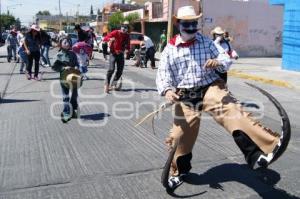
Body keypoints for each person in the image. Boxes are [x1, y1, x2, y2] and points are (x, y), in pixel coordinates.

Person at [156, 6, 284, 191]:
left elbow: (226, 57)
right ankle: (179, 171)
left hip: (209, 86)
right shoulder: (169, 49)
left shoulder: (207, 42)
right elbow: (163, 73)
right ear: (178, 24)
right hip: (185, 95)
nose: (191, 27)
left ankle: (266, 148)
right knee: (179, 136)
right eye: (187, 24)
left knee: (230, 111)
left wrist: (218, 62)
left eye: (194, 23)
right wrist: (167, 90)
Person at [52, 37, 81, 123]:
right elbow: (54, 66)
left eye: (68, 42)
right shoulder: (58, 55)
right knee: (65, 96)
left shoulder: (73, 54)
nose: (67, 43)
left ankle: (73, 110)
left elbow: (76, 63)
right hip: (64, 78)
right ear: (60, 44)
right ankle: (66, 112)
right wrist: (63, 68)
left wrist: (76, 67)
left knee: (74, 95)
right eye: (65, 42)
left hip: (74, 77)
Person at [103, 21, 130, 93]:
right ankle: (107, 85)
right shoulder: (115, 32)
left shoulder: (127, 35)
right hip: (113, 53)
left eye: (126, 28)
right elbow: (105, 38)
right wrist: (110, 39)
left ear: (127, 29)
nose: (124, 29)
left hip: (121, 54)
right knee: (111, 69)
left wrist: (127, 50)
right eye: (123, 27)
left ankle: (113, 84)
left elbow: (128, 45)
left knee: (120, 71)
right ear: (121, 28)